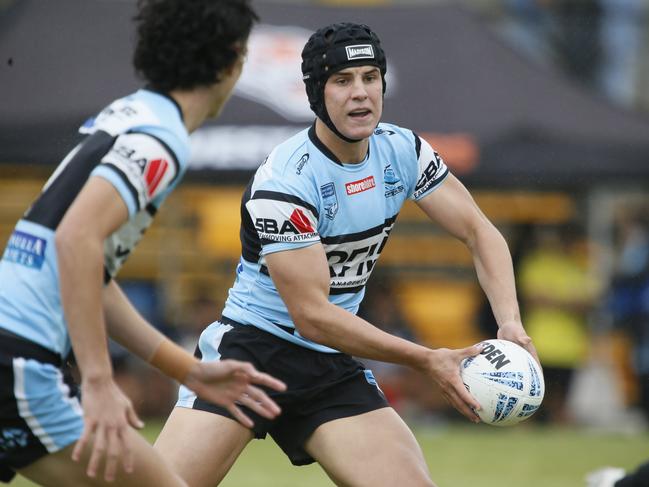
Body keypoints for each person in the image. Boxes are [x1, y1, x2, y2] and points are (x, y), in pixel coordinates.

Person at [155, 22, 538, 487]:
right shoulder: (285, 181)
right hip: (251, 353)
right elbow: (312, 316)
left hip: (329, 363)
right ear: (316, 93)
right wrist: (424, 358)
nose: (360, 93)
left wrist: (510, 322)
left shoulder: (402, 150)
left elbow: (479, 231)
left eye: (370, 77)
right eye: (342, 80)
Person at [0, 1, 286, 486]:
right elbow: (75, 240)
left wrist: (187, 371)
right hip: (19, 362)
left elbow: (86, 268)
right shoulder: (161, 138)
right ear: (233, 59)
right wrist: (98, 381)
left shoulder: (127, 114)